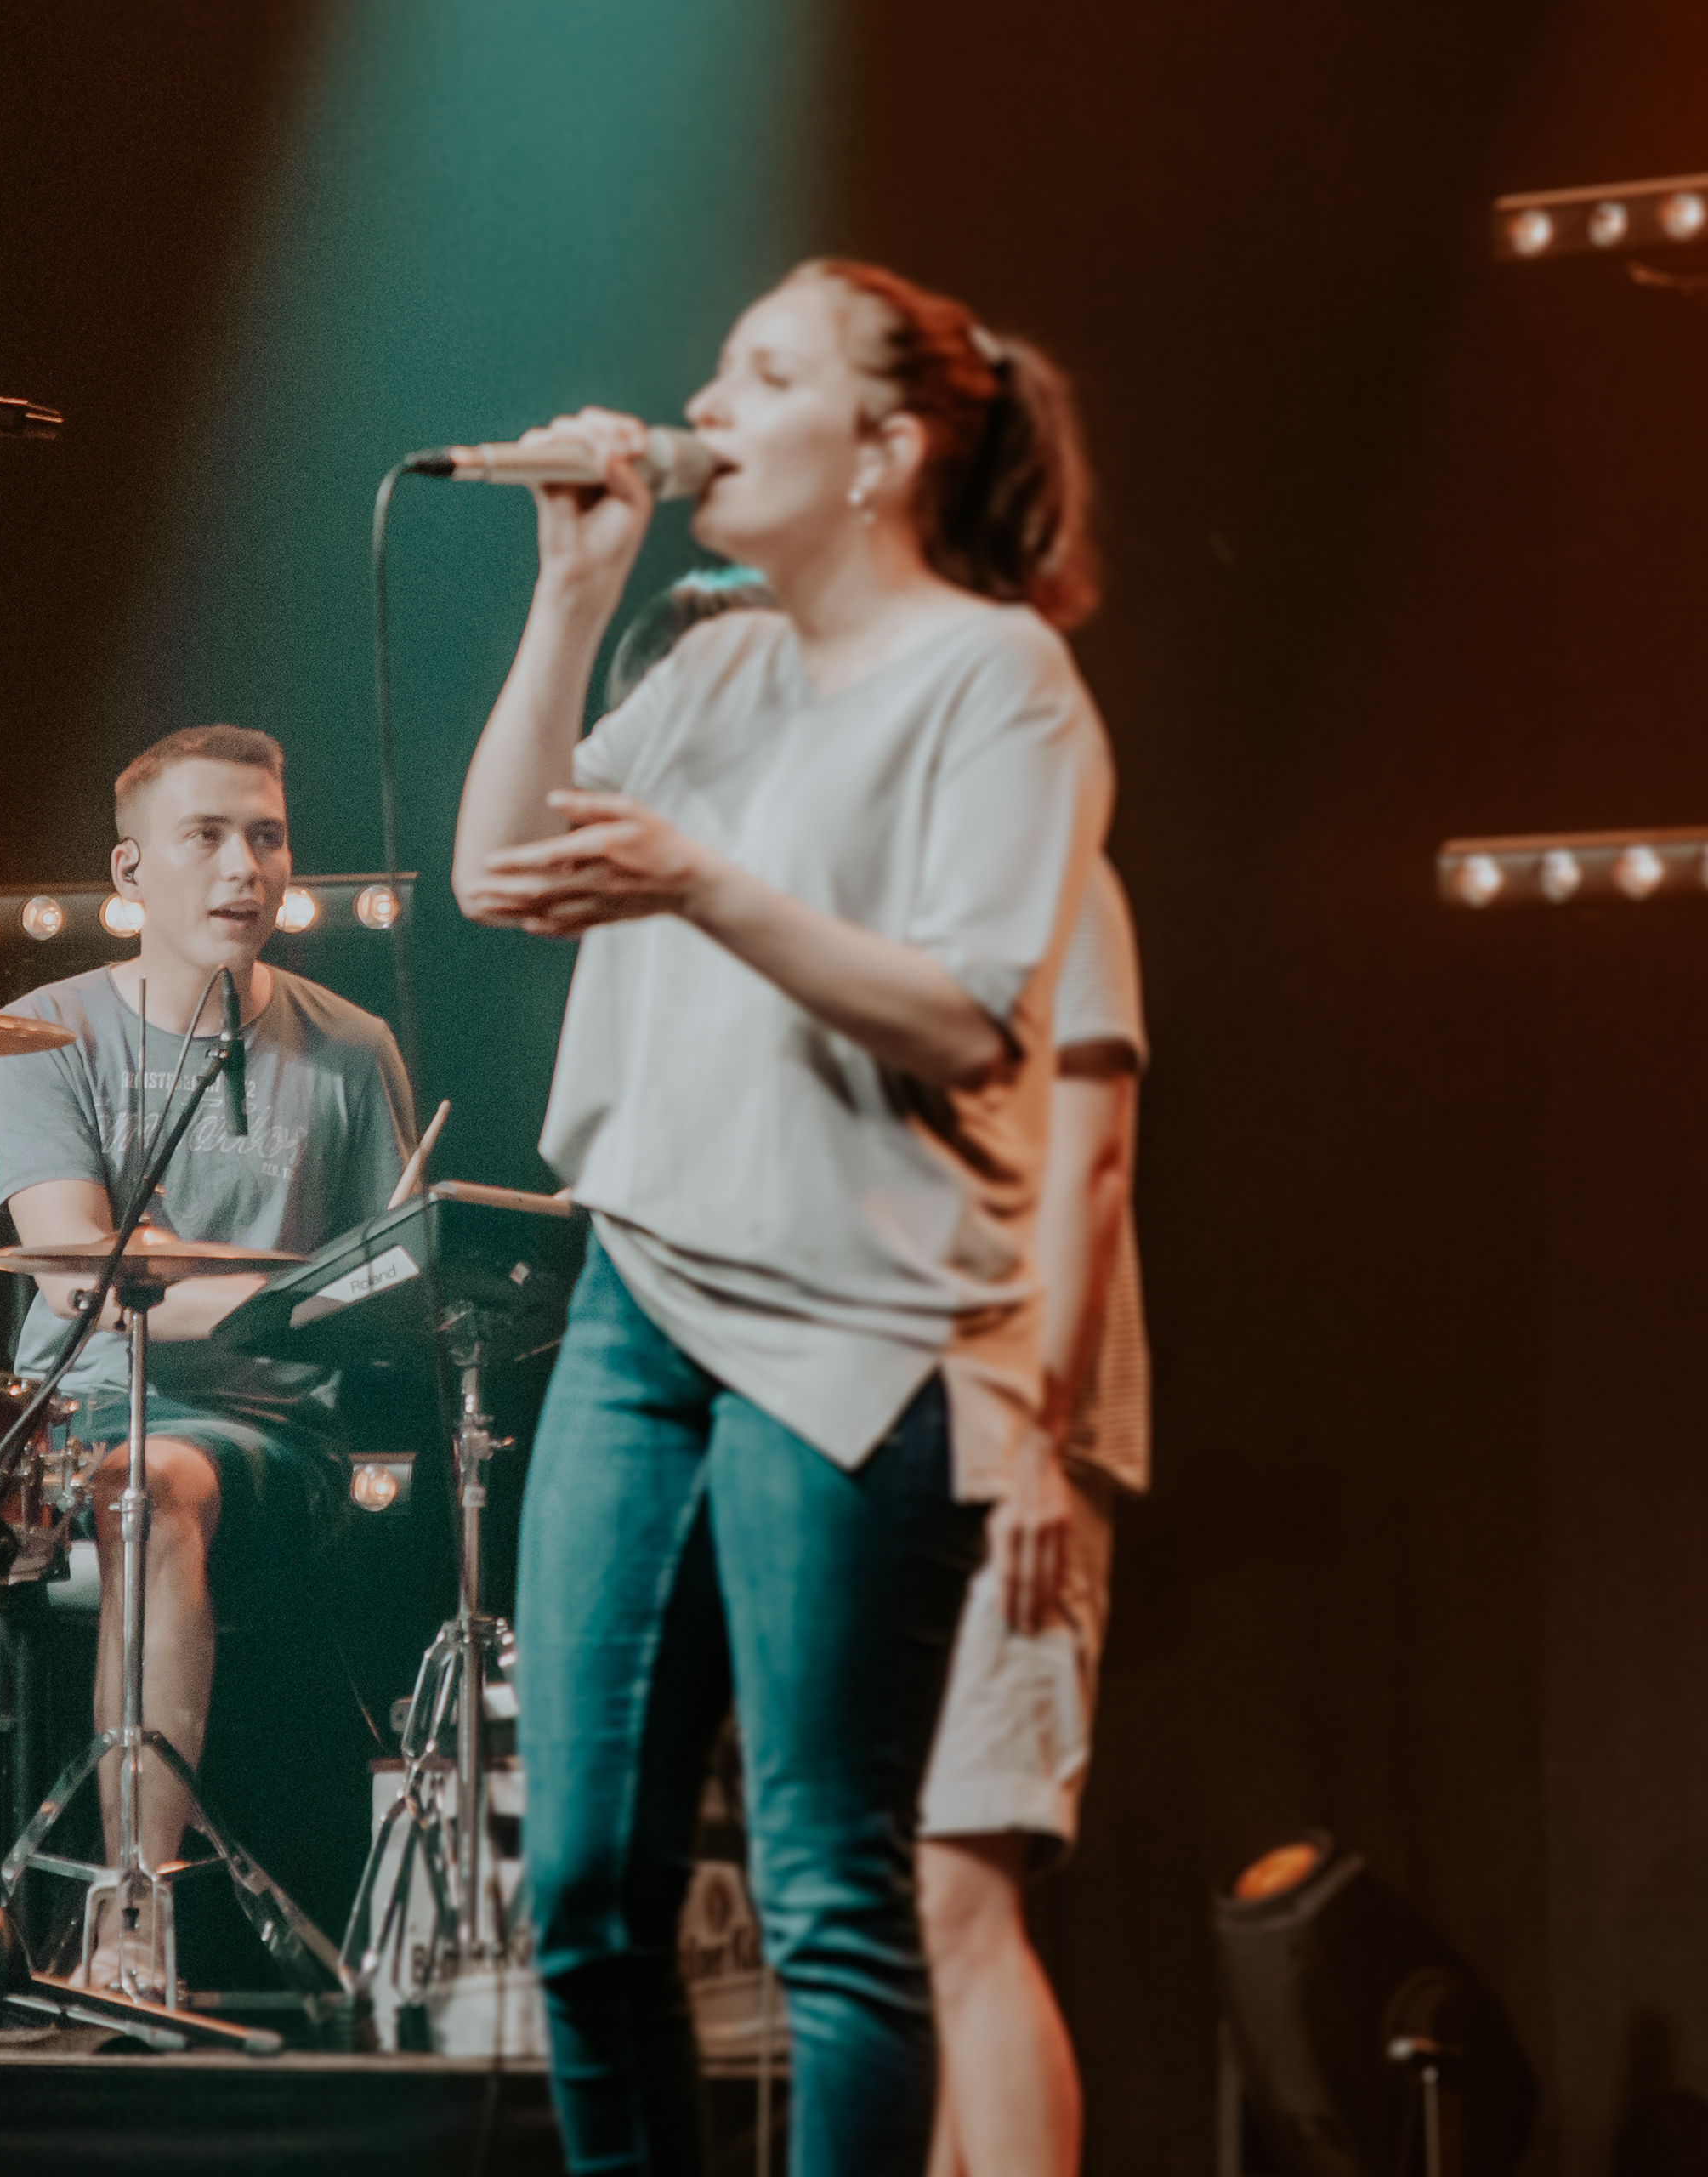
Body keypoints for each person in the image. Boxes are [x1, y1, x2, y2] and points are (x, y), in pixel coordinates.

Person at [450, 258, 1111, 2174]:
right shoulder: (716, 661)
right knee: (583, 1886)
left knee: (830, 1893)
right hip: (641, 1301)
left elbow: (969, 1015)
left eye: (765, 374)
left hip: (856, 1330)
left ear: (883, 449)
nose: (710, 405)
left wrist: (705, 883)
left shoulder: (998, 678)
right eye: (717, 368)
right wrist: (574, 595)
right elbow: (499, 874)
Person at [0, 724, 417, 1998]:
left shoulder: (353, 1049)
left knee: (155, 1480)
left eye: (268, 837)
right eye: (210, 837)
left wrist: (204, 1291)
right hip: (65, 1415)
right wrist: (284, 1297)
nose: (247, 867)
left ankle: (134, 1905)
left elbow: (391, 1289)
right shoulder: (45, 1030)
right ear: (131, 869)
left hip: (272, 1440)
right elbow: (75, 1276)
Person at [916, 854, 1147, 2177]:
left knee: (959, 1899)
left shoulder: (1044, 857)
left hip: (1007, 1439)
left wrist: (1037, 1442)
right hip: (895, 1441)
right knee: (910, 1923)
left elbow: (1092, 1158)